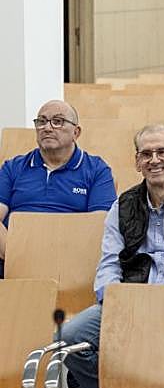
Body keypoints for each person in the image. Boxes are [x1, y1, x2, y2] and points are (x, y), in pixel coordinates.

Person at [60, 125, 164, 388]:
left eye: (162, 152)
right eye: (146, 154)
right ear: (137, 161)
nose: (154, 160)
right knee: (68, 337)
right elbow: (109, 262)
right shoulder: (122, 205)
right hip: (129, 299)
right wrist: (113, 298)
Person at [0, 99, 117, 278]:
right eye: (41, 121)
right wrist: (17, 256)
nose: (47, 127)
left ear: (76, 132)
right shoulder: (13, 167)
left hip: (71, 261)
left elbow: (97, 226)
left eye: (57, 121)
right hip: (13, 259)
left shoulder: (97, 169)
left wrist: (57, 259)